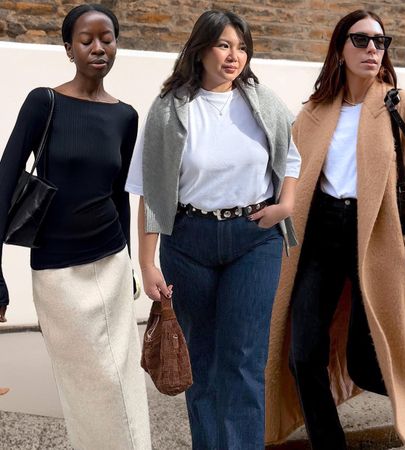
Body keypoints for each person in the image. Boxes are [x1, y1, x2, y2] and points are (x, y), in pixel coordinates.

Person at [264, 9, 405, 450]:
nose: (372, 49)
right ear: (339, 48)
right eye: (361, 40)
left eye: (380, 42)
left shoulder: (404, 107)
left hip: (379, 241)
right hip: (320, 237)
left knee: (370, 362)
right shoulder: (313, 112)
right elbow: (290, 175)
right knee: (303, 354)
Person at [125, 9, 301, 450]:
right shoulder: (169, 109)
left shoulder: (262, 100)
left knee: (243, 361)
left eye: (241, 47)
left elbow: (291, 158)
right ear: (201, 49)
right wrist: (147, 262)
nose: (233, 56)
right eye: (224, 45)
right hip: (188, 242)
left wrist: (287, 204)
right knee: (200, 362)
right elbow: (151, 188)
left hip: (253, 238)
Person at [0, 4, 151, 449]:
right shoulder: (42, 102)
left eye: (107, 38)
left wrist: (127, 262)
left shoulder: (125, 116)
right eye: (87, 40)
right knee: (86, 385)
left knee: (121, 380)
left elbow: (119, 194)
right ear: (69, 49)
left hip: (108, 259)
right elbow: (5, 179)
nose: (99, 47)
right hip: (57, 270)